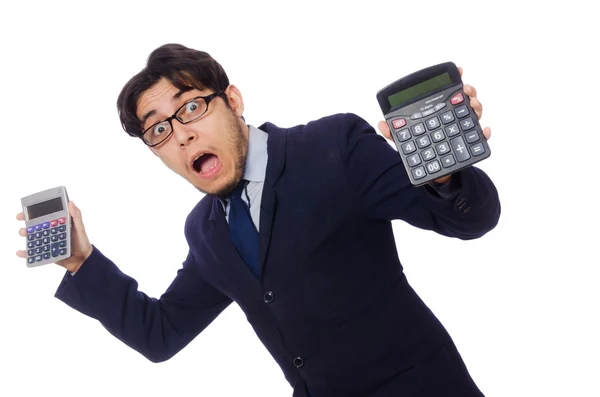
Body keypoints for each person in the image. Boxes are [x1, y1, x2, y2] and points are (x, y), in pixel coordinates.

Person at [16, 43, 500, 397]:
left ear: (233, 100)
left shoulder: (335, 145)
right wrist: (81, 262)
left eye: (190, 108)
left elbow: (467, 220)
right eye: (159, 130)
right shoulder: (205, 230)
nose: (181, 135)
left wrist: (444, 175)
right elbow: (160, 333)